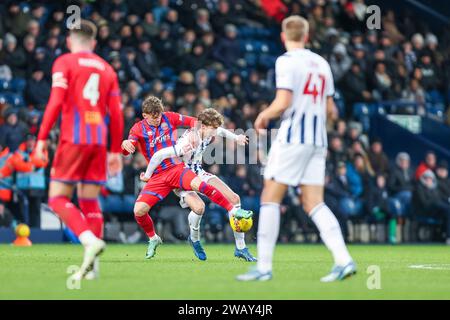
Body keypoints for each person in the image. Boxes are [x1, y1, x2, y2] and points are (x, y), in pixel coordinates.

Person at [237, 16, 355, 282]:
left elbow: (283, 101)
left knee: (270, 196)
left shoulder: (286, 61)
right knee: (314, 202)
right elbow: (330, 110)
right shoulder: (323, 64)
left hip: (293, 138)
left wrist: (263, 116)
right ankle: (343, 260)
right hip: (317, 140)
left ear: (283, 36)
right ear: (307, 35)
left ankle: (263, 268)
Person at [34, 20, 124, 281]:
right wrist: (115, 150)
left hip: (73, 138)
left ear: (69, 41)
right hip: (98, 140)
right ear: (94, 43)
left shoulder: (65, 62)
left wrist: (41, 139)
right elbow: (116, 113)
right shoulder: (107, 69)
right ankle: (93, 268)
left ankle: (88, 241)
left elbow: (56, 101)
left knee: (57, 199)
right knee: (89, 200)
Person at [121, 96, 253, 260]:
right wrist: (143, 169)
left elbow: (211, 127)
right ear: (145, 115)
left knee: (234, 198)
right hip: (180, 173)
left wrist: (236, 137)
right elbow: (156, 153)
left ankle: (240, 247)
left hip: (196, 171)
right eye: (212, 128)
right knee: (199, 208)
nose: (216, 132)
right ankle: (195, 239)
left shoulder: (198, 128)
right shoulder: (187, 142)